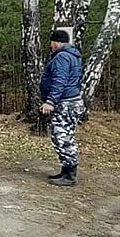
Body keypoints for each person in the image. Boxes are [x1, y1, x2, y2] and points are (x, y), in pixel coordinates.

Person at [39, 29, 85, 186]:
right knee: (65, 136)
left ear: (56, 42)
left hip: (65, 103)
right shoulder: (72, 56)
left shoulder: (62, 57)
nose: (51, 46)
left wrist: (50, 101)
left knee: (62, 137)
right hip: (71, 101)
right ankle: (66, 170)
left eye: (51, 42)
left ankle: (70, 175)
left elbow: (60, 80)